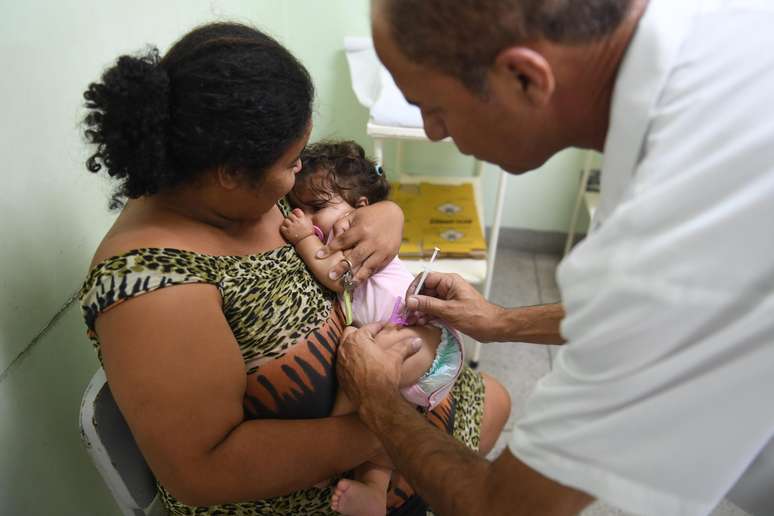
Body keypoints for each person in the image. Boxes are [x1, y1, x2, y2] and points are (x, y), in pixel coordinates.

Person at [335, 1, 774, 515]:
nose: (433, 132)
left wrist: (377, 399)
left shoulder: (684, 218)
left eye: (436, 108)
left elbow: (509, 507)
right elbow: (645, 315)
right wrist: (499, 322)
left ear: (523, 78)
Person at [78, 21, 510, 516]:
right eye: (291, 163)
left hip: (389, 404)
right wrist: (387, 421)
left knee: (494, 398)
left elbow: (341, 200)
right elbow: (204, 471)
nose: (299, 172)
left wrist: (385, 216)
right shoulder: (154, 290)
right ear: (231, 174)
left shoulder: (244, 194)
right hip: (322, 490)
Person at [280, 140, 467, 515]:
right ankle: (373, 489)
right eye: (301, 210)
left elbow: (335, 279)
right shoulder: (337, 234)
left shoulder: (359, 244)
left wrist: (301, 237)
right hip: (410, 359)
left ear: (361, 211)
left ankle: (326, 454)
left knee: (359, 372)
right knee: (374, 416)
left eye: (318, 209)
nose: (311, 220)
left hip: (422, 342)